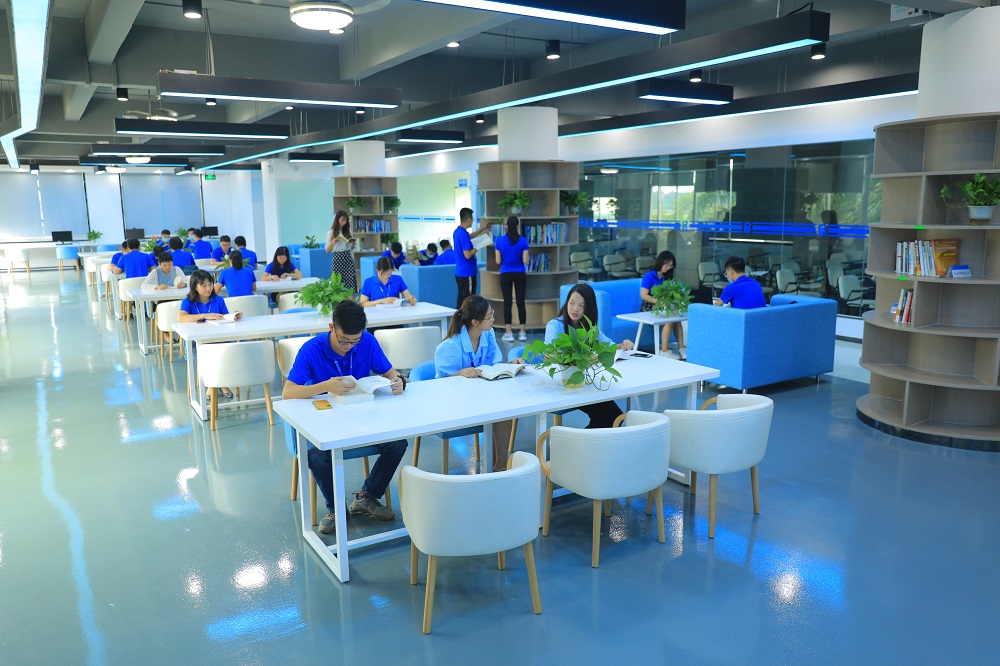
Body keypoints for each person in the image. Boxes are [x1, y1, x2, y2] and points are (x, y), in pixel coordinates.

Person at [282, 300, 408, 530]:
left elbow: (390, 372)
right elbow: (288, 392)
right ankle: (336, 508)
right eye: (343, 340)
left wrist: (398, 380)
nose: (349, 346)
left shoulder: (367, 341)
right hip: (325, 421)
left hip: (362, 417)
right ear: (332, 327)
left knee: (397, 444)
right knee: (316, 456)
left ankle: (367, 497)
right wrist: (325, 386)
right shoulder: (311, 349)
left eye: (354, 341)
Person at [434, 295, 523, 472]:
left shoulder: (488, 334)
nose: (493, 319)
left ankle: (499, 466)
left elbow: (492, 366)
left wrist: (509, 365)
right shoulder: (451, 346)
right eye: (489, 317)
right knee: (498, 410)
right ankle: (498, 467)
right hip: (455, 403)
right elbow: (440, 384)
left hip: (481, 397)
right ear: (475, 322)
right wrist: (459, 373)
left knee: (504, 409)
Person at [544, 284, 633, 429]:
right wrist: (582, 359)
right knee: (610, 416)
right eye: (571, 303)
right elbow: (548, 354)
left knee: (614, 415)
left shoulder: (590, 328)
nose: (575, 309)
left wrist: (623, 345)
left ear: (589, 308)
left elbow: (609, 346)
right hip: (561, 387)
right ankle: (578, 441)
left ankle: (581, 441)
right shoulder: (555, 325)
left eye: (581, 306)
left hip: (582, 386)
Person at [639, 250, 686, 359]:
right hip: (649, 307)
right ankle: (664, 351)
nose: (668, 268)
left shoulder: (666, 277)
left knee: (677, 319)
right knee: (669, 320)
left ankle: (681, 348)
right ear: (661, 261)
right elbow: (643, 295)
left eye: (670, 265)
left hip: (661, 307)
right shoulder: (649, 276)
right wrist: (659, 302)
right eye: (666, 264)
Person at [494, 215, 529, 342]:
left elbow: (498, 261)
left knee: (507, 303)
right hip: (520, 273)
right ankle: (522, 332)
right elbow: (525, 260)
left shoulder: (499, 241)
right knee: (520, 302)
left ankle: (508, 333)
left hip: (505, 273)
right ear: (518, 226)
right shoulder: (523, 241)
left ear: (506, 226)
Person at [453, 207, 490, 309]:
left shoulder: (458, 231)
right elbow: (467, 255)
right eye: (472, 219)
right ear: (469, 219)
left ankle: (459, 317)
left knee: (462, 298)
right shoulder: (463, 234)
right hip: (467, 273)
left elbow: (470, 236)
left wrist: (483, 229)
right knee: (468, 300)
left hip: (460, 272)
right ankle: (466, 317)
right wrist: (479, 245)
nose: (473, 221)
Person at [325, 210, 357, 293]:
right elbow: (327, 250)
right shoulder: (330, 233)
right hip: (337, 259)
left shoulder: (348, 231)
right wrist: (332, 243)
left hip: (347, 258)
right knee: (337, 284)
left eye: (346, 220)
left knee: (350, 284)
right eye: (342, 220)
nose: (344, 222)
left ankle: (350, 301)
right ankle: (340, 301)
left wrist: (353, 243)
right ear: (337, 219)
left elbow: (351, 248)